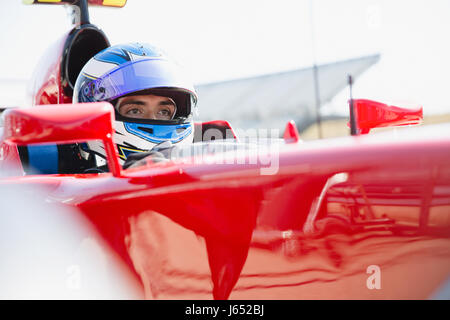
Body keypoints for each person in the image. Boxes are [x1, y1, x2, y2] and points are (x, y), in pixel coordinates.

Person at [72, 42, 198, 171]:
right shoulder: (74, 187)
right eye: (135, 110)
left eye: (164, 112)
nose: (153, 120)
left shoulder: (200, 169)